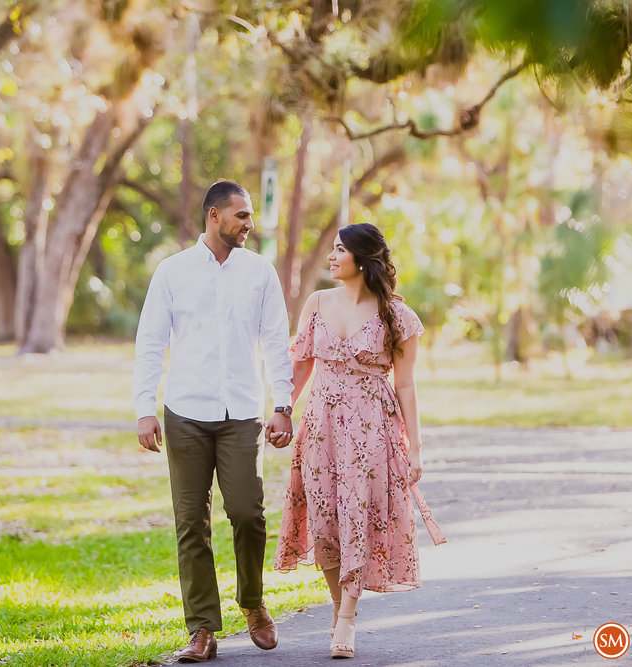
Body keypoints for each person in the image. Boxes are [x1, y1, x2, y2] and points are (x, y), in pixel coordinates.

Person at [132, 180, 295, 663]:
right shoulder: (172, 272)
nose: (249, 224)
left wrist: (283, 405)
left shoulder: (260, 273)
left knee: (248, 513)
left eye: (249, 216)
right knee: (190, 523)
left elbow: (276, 342)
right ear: (214, 216)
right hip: (185, 413)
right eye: (241, 216)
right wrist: (145, 407)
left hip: (242, 414)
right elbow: (150, 341)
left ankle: (252, 602)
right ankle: (202, 628)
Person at [272, 222, 446, 659]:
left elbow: (406, 385)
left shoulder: (397, 315)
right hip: (321, 423)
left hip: (373, 427)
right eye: (332, 249)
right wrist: (281, 410)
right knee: (325, 517)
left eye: (339, 250)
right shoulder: (316, 303)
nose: (331, 257)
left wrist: (416, 448)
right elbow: (300, 366)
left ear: (362, 259)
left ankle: (348, 616)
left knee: (359, 514)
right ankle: (337, 604)